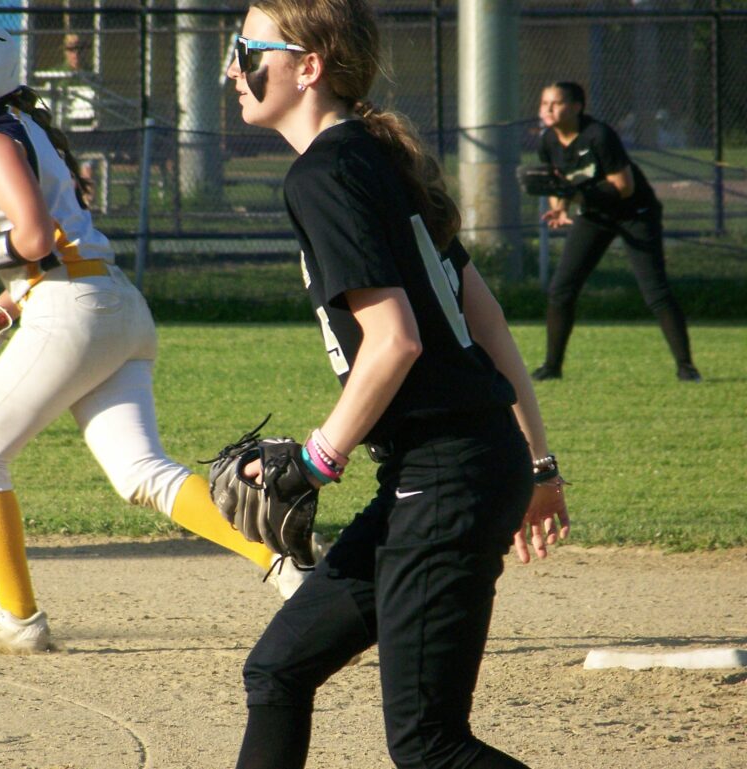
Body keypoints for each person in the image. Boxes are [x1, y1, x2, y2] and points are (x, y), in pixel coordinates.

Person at [224, 2, 570, 767]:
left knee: (429, 745)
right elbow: (488, 326)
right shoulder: (377, 156)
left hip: (447, 473)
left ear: (308, 66)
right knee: (277, 669)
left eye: (248, 47)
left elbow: (396, 342)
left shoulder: (325, 171)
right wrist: (537, 464)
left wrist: (314, 459)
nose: (233, 65)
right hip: (454, 467)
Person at [0, 20, 301, 654]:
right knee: (142, 472)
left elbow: (35, 242)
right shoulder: (18, 130)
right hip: (112, 305)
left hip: (76, 310)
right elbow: (60, 249)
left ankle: (18, 618)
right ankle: (288, 568)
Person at [533, 81, 701, 382]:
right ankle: (551, 368)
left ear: (576, 107)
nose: (547, 109)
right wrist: (560, 208)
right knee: (561, 289)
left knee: (655, 292)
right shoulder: (548, 141)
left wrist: (578, 197)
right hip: (595, 215)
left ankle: (687, 367)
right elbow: (557, 183)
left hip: (635, 214)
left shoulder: (598, 135)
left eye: (555, 103)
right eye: (544, 103)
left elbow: (624, 187)